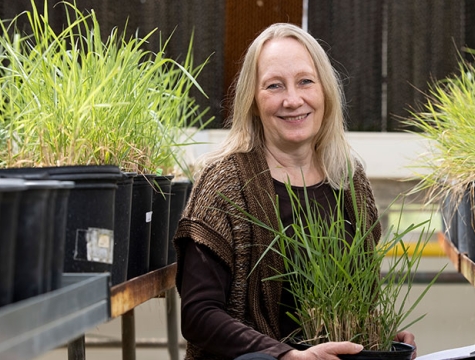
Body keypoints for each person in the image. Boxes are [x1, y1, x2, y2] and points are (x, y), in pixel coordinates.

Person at [173, 23, 417, 360]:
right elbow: (198, 315)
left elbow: (356, 302)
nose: (293, 100)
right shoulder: (223, 184)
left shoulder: (349, 181)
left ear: (325, 91)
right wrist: (286, 356)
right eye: (274, 86)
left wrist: (376, 334)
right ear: (253, 102)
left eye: (305, 81)